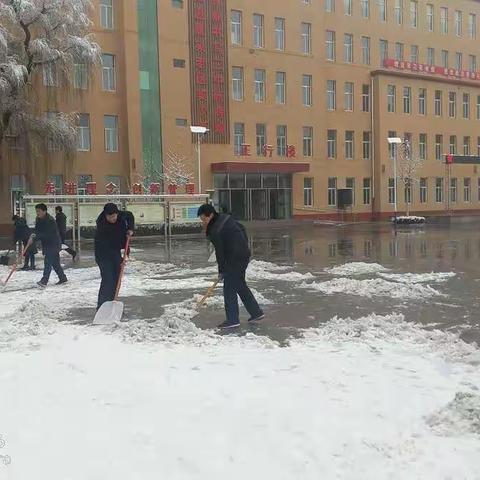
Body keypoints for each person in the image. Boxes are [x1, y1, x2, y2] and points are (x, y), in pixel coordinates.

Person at [197, 204, 264, 329]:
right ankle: (256, 313)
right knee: (239, 284)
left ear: (210, 215)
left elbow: (220, 252)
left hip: (234, 259)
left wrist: (222, 270)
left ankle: (232, 320)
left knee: (229, 288)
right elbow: (242, 228)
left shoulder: (215, 230)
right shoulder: (225, 218)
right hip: (243, 254)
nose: (203, 222)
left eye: (204, 219)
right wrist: (244, 247)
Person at [94, 203, 134, 311]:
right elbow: (110, 246)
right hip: (103, 254)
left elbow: (130, 215)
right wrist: (120, 259)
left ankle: (111, 303)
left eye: (114, 216)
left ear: (117, 213)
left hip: (115, 251)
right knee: (107, 280)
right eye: (109, 217)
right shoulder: (102, 226)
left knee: (116, 279)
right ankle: (101, 307)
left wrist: (130, 229)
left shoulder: (121, 215)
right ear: (105, 215)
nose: (112, 219)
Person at [27, 203, 67, 287]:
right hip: (47, 244)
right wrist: (32, 235)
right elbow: (37, 230)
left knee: (48, 262)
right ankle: (63, 278)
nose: (37, 213)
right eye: (36, 211)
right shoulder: (38, 219)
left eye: (39, 211)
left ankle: (44, 281)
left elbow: (47, 234)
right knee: (55, 264)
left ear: (44, 211)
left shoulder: (50, 220)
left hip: (54, 243)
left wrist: (35, 238)